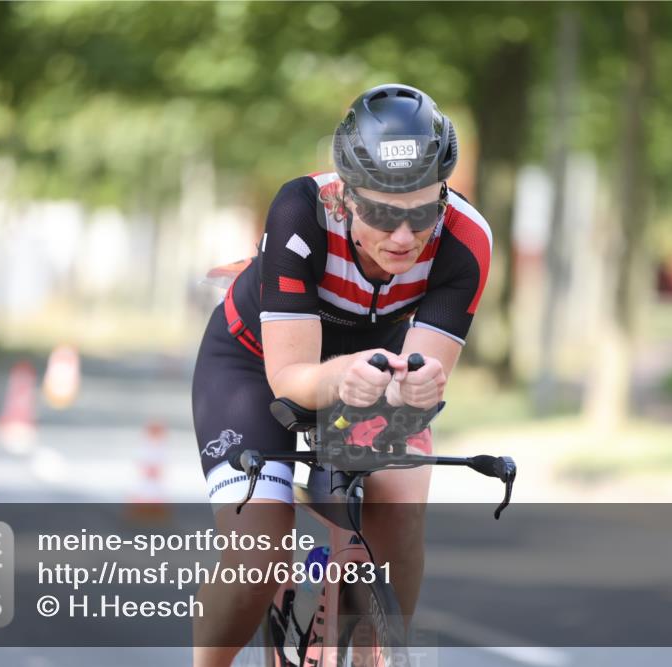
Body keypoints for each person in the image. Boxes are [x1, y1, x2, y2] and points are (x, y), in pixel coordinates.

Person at [191, 83, 492, 666]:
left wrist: (419, 388)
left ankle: (375, 656)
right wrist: (342, 381)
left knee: (400, 513)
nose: (403, 237)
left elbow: (419, 380)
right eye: (381, 212)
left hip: (372, 370)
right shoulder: (300, 210)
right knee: (257, 555)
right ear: (348, 197)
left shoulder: (465, 241)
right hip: (257, 364)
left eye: (423, 213)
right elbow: (291, 378)